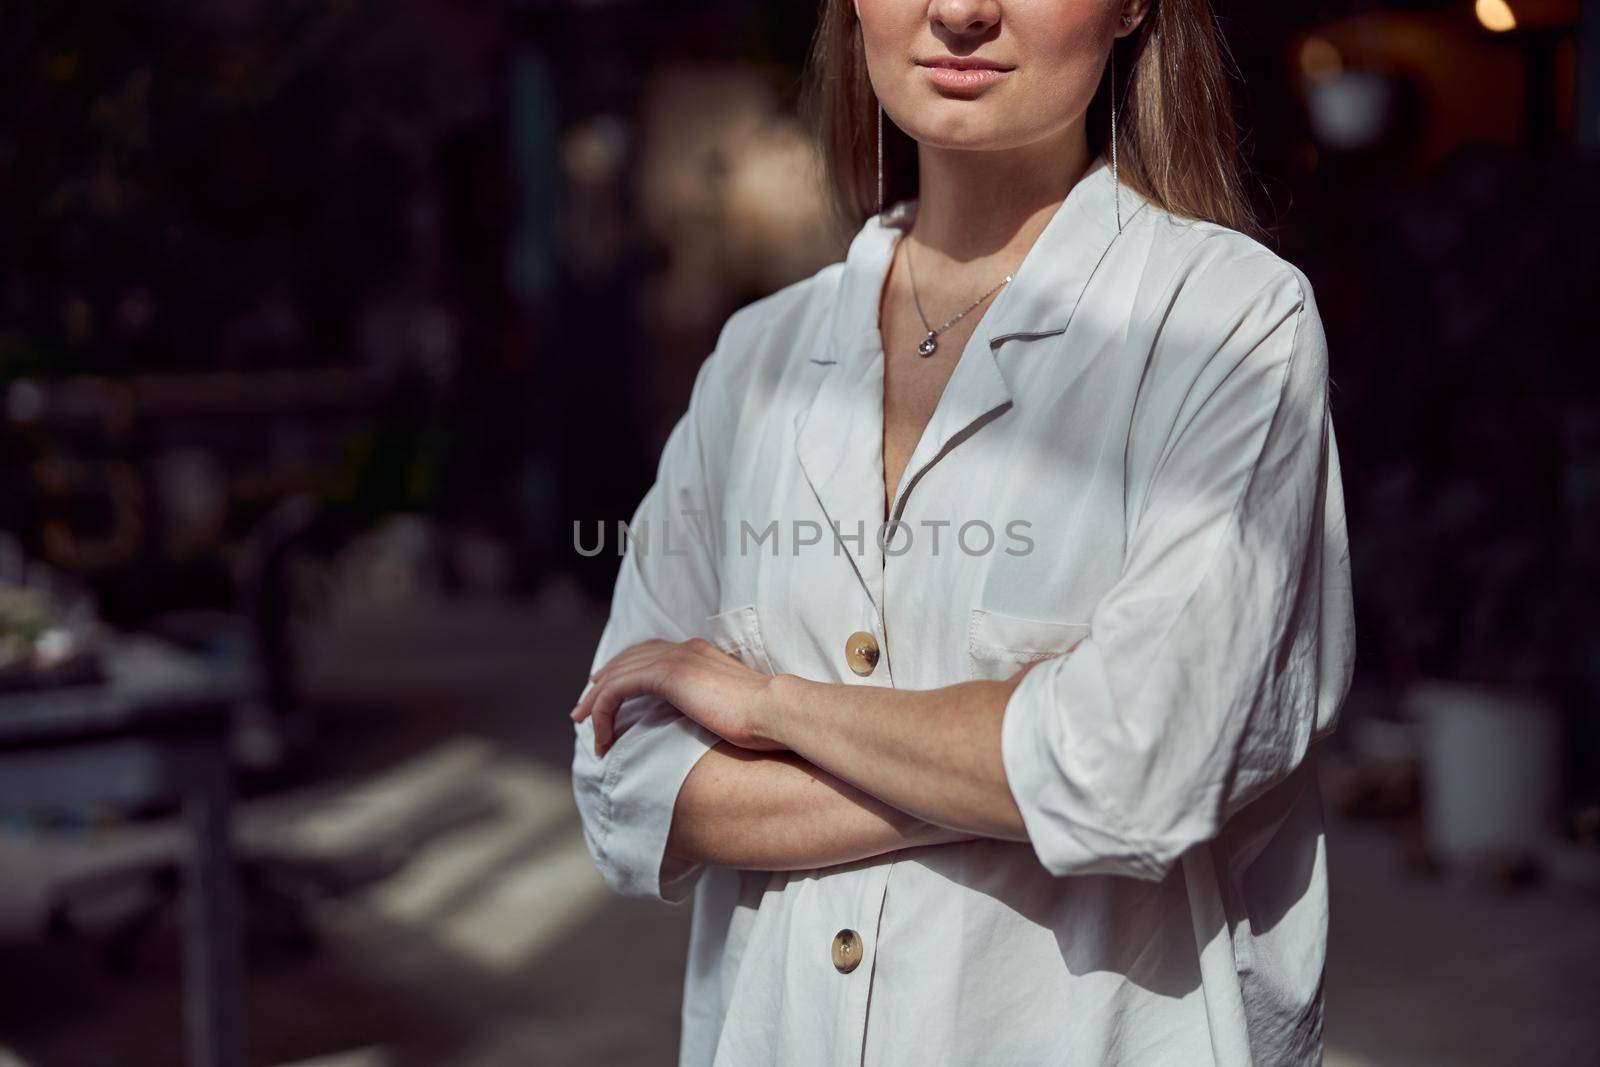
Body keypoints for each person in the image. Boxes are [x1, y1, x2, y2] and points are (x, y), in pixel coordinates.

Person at [570, 0, 1355, 1063]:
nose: (959, 11)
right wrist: (1020, 762)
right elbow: (623, 780)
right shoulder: (755, 359)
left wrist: (770, 704)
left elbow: (1139, 768)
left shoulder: (1225, 325)